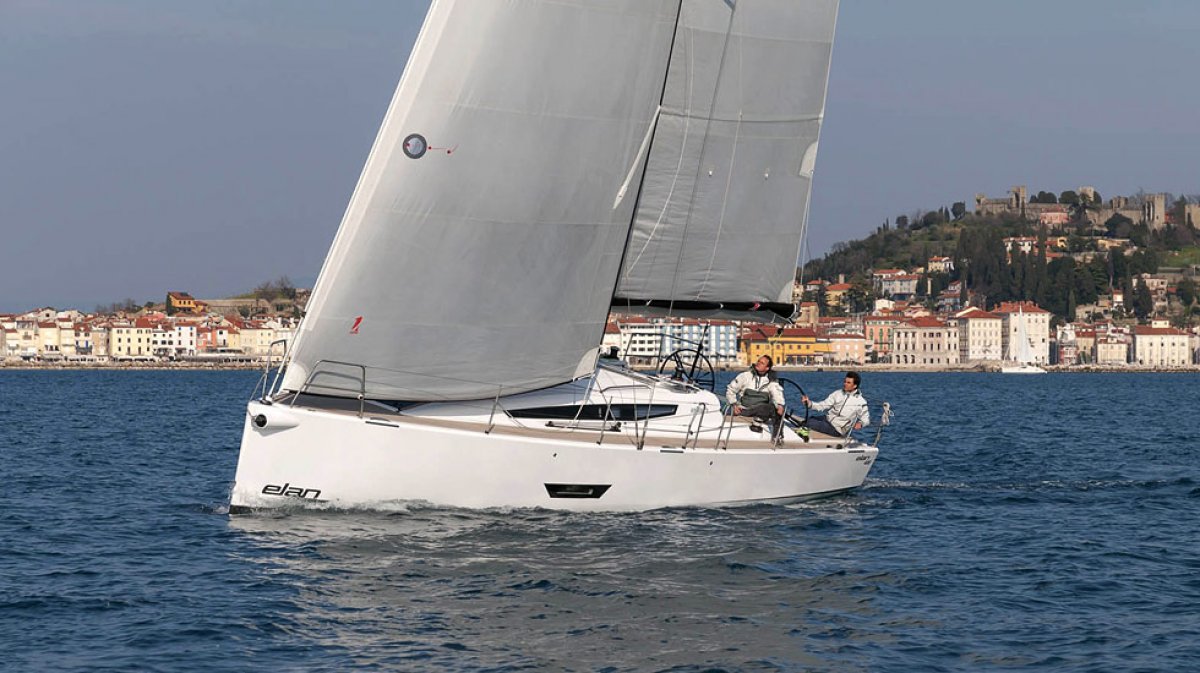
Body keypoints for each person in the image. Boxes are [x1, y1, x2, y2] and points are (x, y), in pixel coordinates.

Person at [726, 355, 785, 435]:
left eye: (762, 363)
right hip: (744, 409)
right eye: (758, 361)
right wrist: (734, 404)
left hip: (761, 410)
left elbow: (777, 394)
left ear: (767, 368)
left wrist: (779, 405)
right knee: (768, 408)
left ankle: (777, 436)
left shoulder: (771, 381)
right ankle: (758, 424)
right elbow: (731, 389)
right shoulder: (745, 376)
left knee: (773, 408)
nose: (758, 363)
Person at [800, 371, 870, 438]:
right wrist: (809, 403)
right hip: (827, 420)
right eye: (845, 381)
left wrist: (861, 424)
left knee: (809, 423)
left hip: (837, 429)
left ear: (855, 385)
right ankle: (802, 434)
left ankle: (802, 437)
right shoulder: (838, 393)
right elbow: (824, 405)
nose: (845, 384)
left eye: (848, 383)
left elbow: (866, 420)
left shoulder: (861, 402)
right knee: (809, 419)